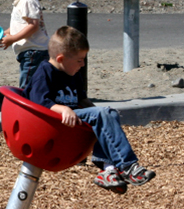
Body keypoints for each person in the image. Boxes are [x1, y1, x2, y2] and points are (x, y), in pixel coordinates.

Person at [27, 26, 156, 194]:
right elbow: (37, 102)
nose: (83, 64)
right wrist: (63, 109)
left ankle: (108, 170)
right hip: (52, 124)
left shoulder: (73, 74)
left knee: (107, 114)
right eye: (79, 60)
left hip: (72, 123)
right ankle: (127, 166)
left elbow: (82, 100)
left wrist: (104, 116)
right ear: (61, 58)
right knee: (102, 115)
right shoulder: (44, 72)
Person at [0, 0, 49, 89]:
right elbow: (21, 23)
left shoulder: (28, 1)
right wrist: (6, 33)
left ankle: (27, 106)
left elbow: (33, 25)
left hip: (33, 51)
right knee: (34, 81)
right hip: (32, 51)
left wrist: (13, 38)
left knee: (27, 84)